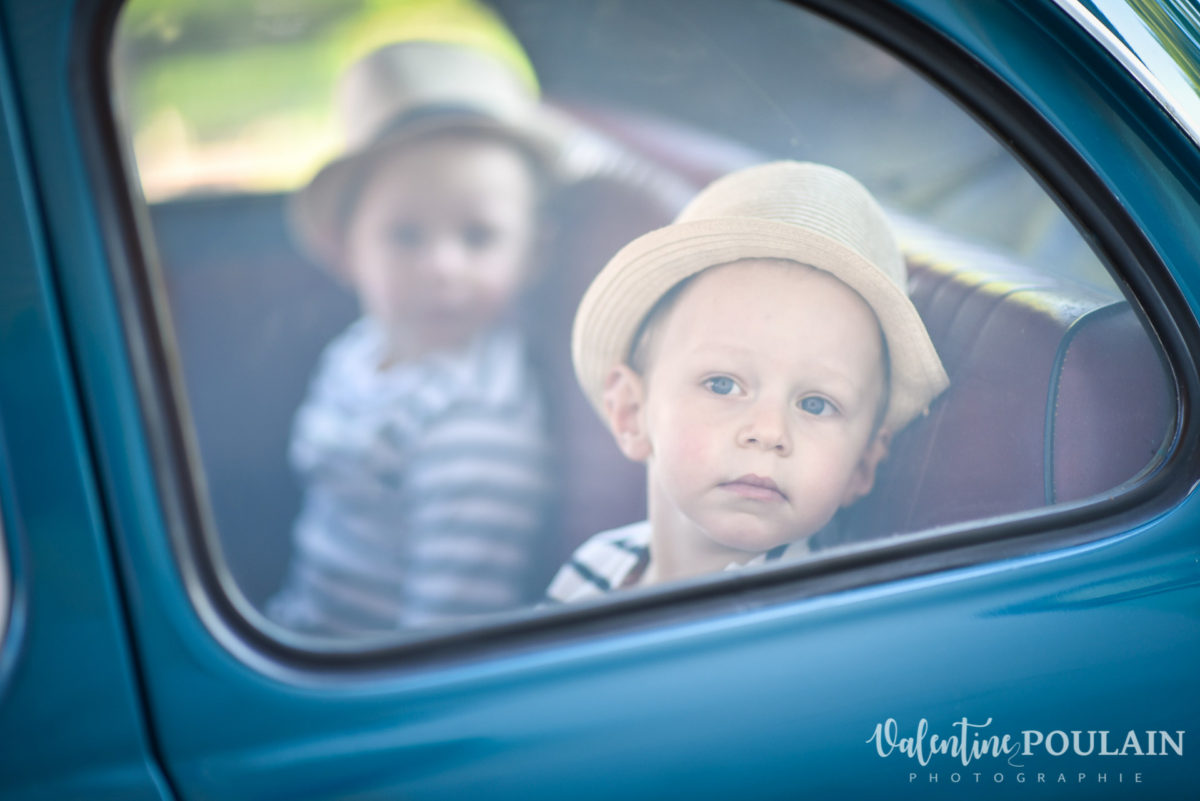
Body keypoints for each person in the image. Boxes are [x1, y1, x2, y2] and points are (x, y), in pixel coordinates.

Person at [546, 161, 950, 601]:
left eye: (816, 404)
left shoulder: (810, 623)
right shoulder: (594, 569)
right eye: (722, 384)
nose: (769, 432)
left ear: (862, 464)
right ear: (631, 412)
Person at [267, 36, 560, 634]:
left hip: (364, 667)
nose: (442, 266)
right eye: (406, 235)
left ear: (533, 255)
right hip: (306, 621)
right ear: (347, 247)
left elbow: (451, 632)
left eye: (478, 237)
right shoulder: (359, 349)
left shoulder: (474, 423)